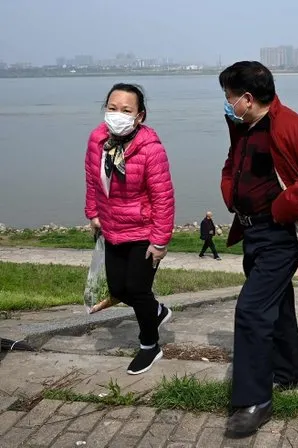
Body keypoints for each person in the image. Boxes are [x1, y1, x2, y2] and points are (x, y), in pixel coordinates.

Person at [218, 61, 298, 438]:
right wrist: (229, 190)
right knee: (277, 305)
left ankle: (255, 401)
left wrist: (285, 207)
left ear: (246, 98)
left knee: (252, 309)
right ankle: (290, 373)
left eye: (229, 97)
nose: (226, 104)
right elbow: (234, 165)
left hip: (280, 236)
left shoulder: (293, 126)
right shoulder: (243, 126)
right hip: (253, 232)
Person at [84, 83, 176, 375]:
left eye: (126, 110)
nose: (117, 115)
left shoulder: (151, 150)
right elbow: (92, 180)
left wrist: (160, 242)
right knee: (118, 289)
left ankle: (150, 346)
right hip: (111, 228)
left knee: (137, 289)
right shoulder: (98, 141)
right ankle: (158, 312)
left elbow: (163, 198)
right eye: (112, 108)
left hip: (143, 232)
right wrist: (93, 213)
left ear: (140, 117)